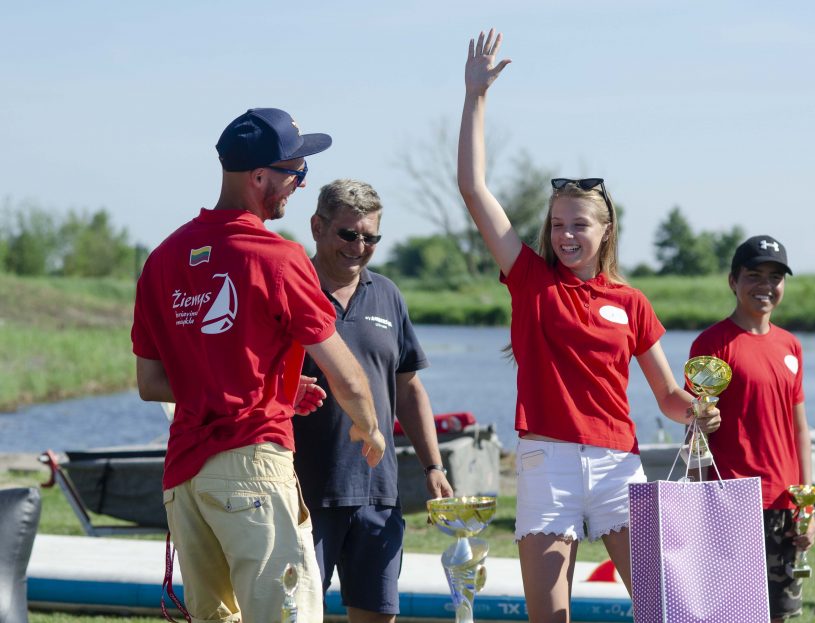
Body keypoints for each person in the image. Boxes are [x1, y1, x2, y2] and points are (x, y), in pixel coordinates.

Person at [456, 30, 720, 622]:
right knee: (550, 616)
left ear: (605, 231)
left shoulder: (630, 301)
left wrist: (698, 410)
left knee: (664, 607)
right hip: (545, 461)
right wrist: (476, 97)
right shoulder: (528, 278)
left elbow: (670, 397)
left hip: (617, 464)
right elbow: (473, 189)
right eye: (556, 225)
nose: (565, 236)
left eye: (579, 225)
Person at [131, 108, 386, 623]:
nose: (299, 184)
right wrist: (371, 428)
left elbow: (152, 382)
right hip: (251, 469)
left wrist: (264, 390)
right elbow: (346, 373)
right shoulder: (278, 257)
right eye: (296, 172)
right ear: (260, 177)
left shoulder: (163, 258)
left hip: (185, 480)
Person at [293, 179, 454, 623]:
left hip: (377, 493)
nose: (359, 246)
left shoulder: (387, 294)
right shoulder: (289, 287)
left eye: (370, 237)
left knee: (378, 616)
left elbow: (408, 389)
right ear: (317, 227)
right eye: (348, 234)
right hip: (301, 492)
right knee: (294, 615)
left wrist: (433, 466)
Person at [689, 235, 815, 622]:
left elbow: (800, 431)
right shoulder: (712, 344)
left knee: (779, 614)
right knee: (732, 613)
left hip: (784, 503)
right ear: (733, 281)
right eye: (754, 275)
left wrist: (806, 507)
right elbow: (694, 432)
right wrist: (698, 506)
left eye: (775, 277)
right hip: (732, 500)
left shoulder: (790, 346)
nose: (765, 286)